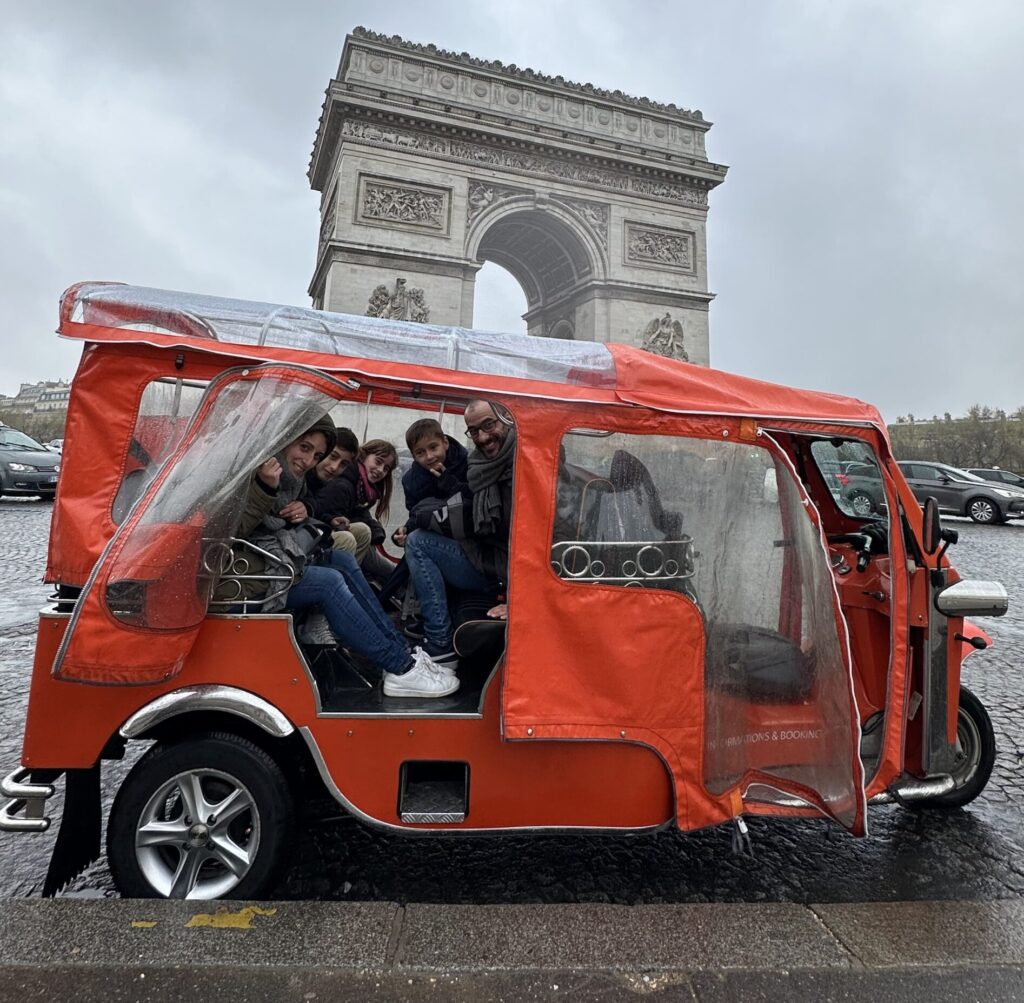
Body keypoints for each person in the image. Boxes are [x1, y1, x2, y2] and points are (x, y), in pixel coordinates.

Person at [223, 418, 457, 699]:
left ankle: (400, 652)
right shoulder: (254, 470)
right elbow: (228, 532)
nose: (309, 460)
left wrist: (304, 508)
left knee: (341, 560)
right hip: (239, 575)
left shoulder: (292, 480)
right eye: (305, 448)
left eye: (317, 455)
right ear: (285, 438)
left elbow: (304, 514)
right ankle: (401, 667)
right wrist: (264, 488)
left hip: (272, 559)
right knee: (329, 582)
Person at [404, 400, 514, 665]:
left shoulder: (523, 467)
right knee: (415, 540)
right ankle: (417, 625)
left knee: (418, 543)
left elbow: (538, 542)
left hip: (500, 568)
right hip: (485, 552)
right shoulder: (479, 465)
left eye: (489, 425)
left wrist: (519, 599)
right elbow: (466, 510)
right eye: (474, 431)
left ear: (509, 419)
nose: (483, 437)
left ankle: (439, 643)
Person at [312, 438, 398, 583]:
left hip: (330, 532)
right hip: (318, 540)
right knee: (366, 550)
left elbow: (358, 512)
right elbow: (321, 513)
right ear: (363, 457)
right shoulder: (344, 485)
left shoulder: (359, 486)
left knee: (366, 534)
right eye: (378, 462)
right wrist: (334, 521)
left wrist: (376, 530)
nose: (380, 470)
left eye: (386, 468)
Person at [394, 417, 470, 548]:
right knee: (412, 540)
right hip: (433, 538)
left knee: (416, 541)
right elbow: (417, 514)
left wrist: (451, 484)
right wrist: (405, 530)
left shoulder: (467, 464)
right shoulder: (411, 481)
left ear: (445, 443)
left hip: (467, 541)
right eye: (420, 452)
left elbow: (475, 501)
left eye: (433, 447)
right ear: (414, 456)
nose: (429, 456)